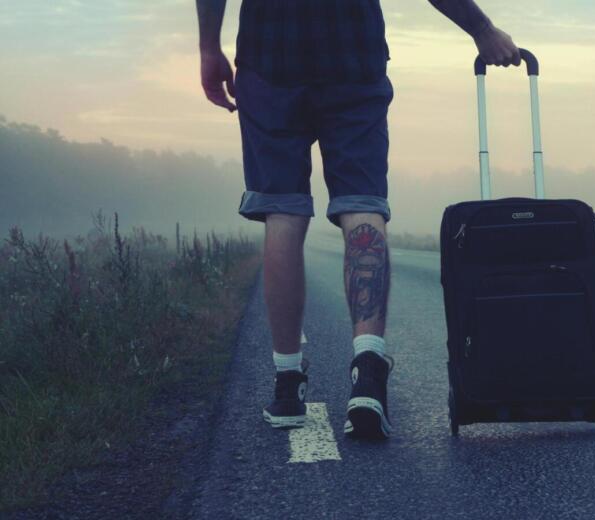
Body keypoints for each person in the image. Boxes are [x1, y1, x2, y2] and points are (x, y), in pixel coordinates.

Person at [196, 0, 520, 439]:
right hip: (352, 56)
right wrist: (481, 29)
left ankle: (287, 385)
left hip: (270, 60)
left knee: (283, 212)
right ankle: (368, 374)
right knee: (361, 204)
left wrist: (209, 48)